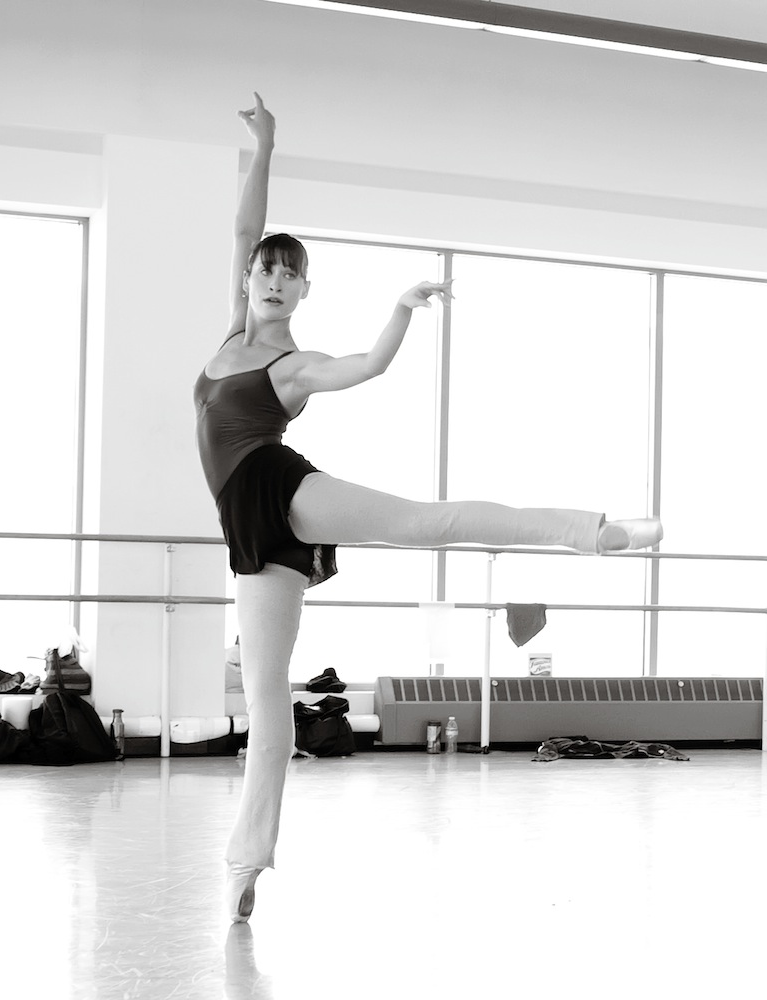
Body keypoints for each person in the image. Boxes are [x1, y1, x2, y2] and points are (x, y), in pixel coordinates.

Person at [194, 93, 663, 923]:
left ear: (303, 291)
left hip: (282, 489)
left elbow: (369, 367)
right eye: (266, 268)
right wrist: (265, 145)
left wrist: (400, 312)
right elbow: (245, 224)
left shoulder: (294, 366)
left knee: (425, 521)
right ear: (249, 278)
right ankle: (245, 864)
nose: (273, 279)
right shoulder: (231, 331)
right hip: (248, 530)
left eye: (289, 274)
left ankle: (596, 532)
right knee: (267, 698)